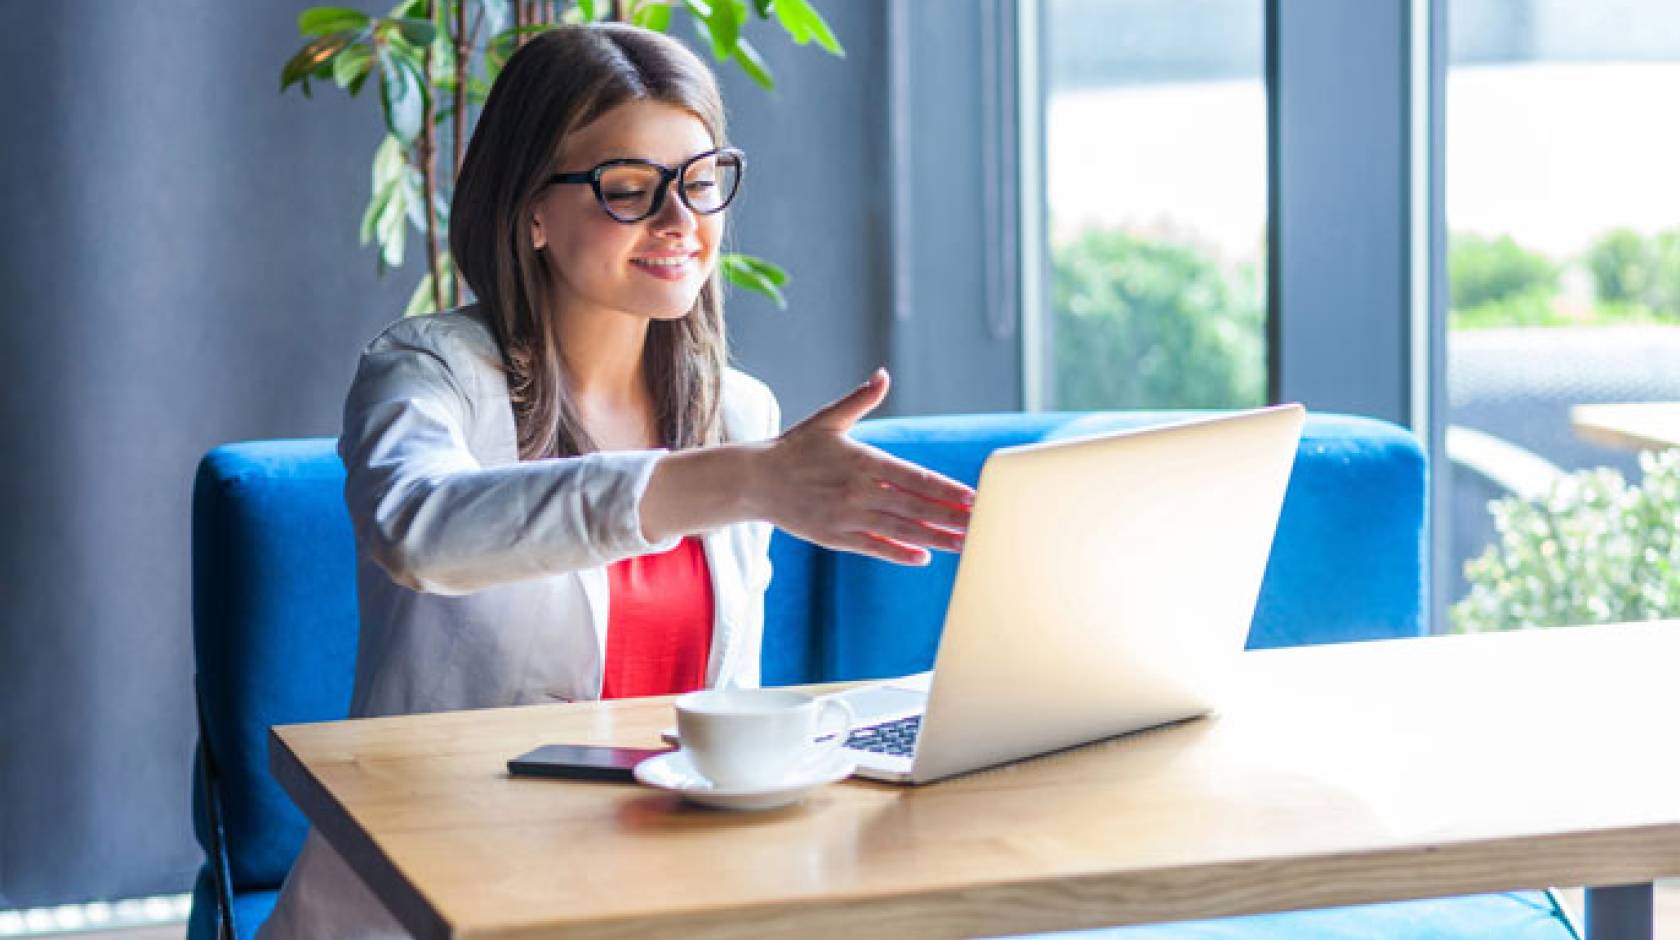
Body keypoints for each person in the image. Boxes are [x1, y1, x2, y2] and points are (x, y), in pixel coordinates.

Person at [255, 23, 972, 939]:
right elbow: (418, 530)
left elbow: (722, 707)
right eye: (629, 189)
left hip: (661, 894)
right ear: (531, 213)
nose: (681, 223)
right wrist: (733, 483)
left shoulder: (737, 414)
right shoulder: (428, 372)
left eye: (702, 180)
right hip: (446, 891)